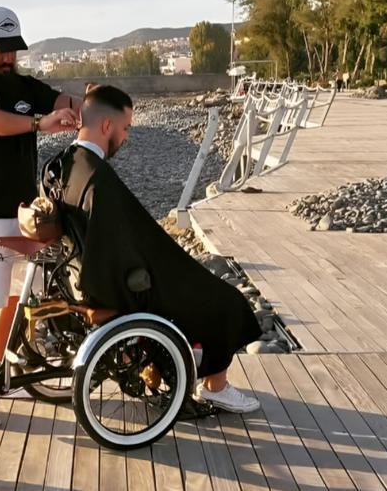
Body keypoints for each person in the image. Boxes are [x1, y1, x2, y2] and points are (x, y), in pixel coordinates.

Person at [46, 85, 262, 413]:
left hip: (82, 274)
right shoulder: (98, 178)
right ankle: (215, 386)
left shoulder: (60, 164)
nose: (127, 136)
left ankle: (170, 367)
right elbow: (122, 249)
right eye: (126, 128)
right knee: (228, 303)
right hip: (128, 282)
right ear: (107, 127)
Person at [0, 6, 81, 427]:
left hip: (25, 213)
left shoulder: (25, 84)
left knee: (15, 301)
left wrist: (89, 107)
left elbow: (63, 101)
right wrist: (40, 124)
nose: (8, 57)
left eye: (13, 50)